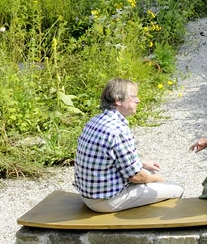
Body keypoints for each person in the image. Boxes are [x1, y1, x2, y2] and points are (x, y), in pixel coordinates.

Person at [73, 78, 184, 213]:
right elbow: (137, 177)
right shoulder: (118, 129)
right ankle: (149, 227)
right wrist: (159, 180)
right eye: (133, 97)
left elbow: (109, 156)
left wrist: (142, 163)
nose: (138, 100)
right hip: (106, 201)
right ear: (118, 100)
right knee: (176, 189)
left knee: (150, 172)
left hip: (88, 196)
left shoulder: (95, 120)